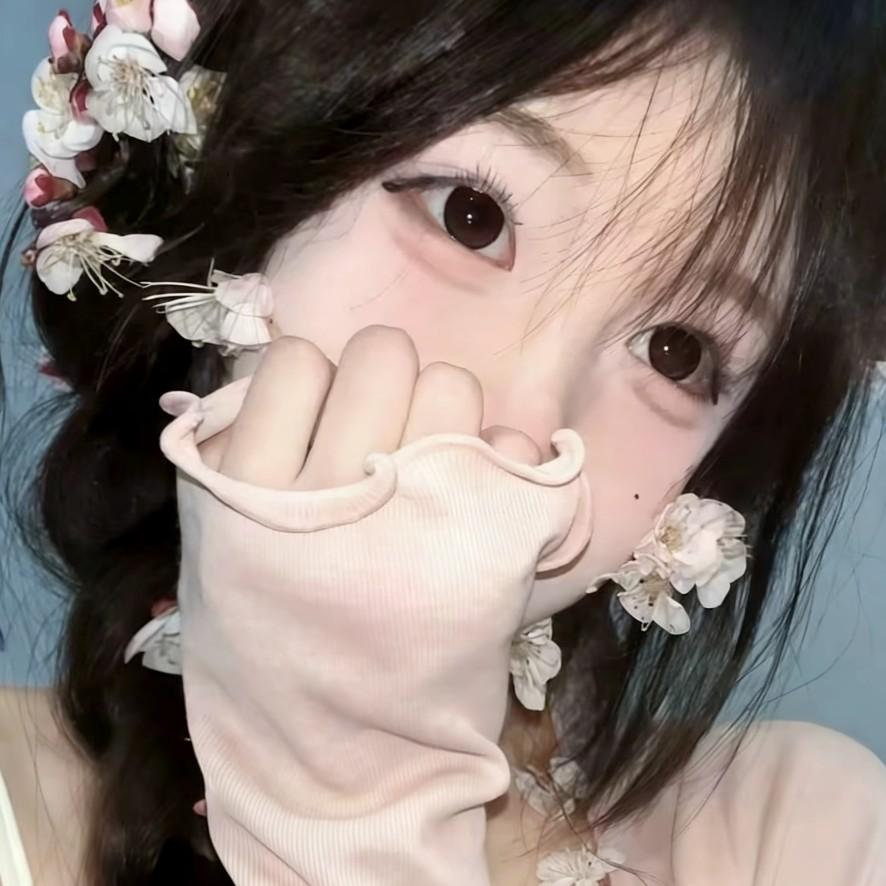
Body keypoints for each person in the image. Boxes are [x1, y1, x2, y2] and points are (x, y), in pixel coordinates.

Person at [1, 0, 885, 884]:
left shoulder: (809, 839)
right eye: (472, 216)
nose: (522, 432)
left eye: (676, 352)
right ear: (238, 201)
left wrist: (343, 805)